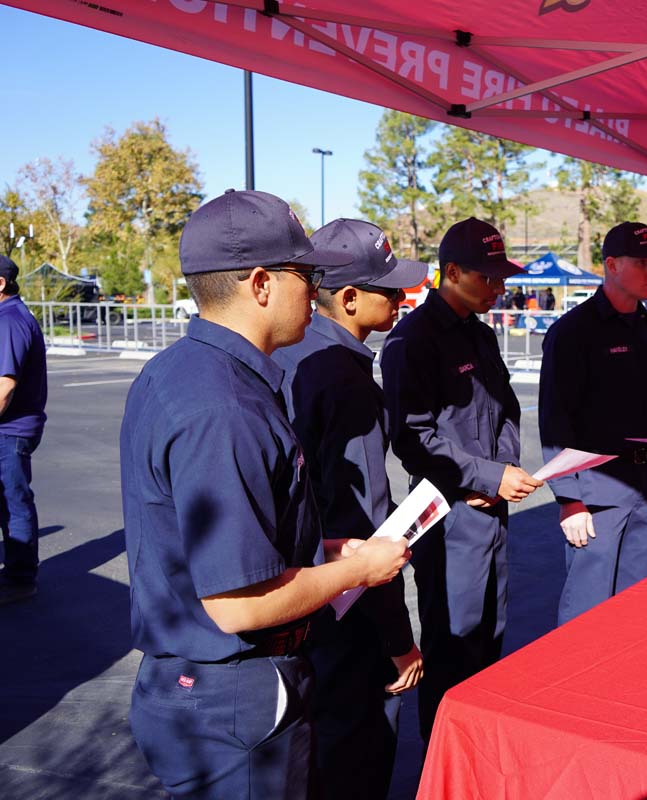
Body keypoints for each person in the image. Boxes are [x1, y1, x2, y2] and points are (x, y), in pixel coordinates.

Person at [120, 190, 411, 798]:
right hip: (234, 698)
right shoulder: (223, 405)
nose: (315, 290)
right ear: (260, 283)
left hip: (206, 691)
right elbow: (240, 605)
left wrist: (323, 549)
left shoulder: (185, 370)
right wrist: (360, 568)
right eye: (305, 275)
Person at [272, 219, 427, 799]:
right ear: (350, 297)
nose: (402, 299)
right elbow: (364, 521)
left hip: (300, 589)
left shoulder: (291, 355)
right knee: (358, 750)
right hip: (348, 603)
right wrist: (398, 639)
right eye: (390, 290)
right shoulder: (347, 379)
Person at [381, 217, 543, 744]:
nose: (499, 289)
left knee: (489, 642)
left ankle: (476, 760)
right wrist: (488, 475)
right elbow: (412, 438)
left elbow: (505, 414)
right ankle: (442, 767)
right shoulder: (413, 341)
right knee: (453, 647)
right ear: (451, 272)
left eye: (502, 279)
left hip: (488, 509)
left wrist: (499, 477)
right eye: (489, 278)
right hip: (447, 516)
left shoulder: (480, 333)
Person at [539, 221, 647, 626]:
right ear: (611, 265)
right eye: (642, 262)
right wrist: (569, 500)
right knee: (587, 609)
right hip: (596, 492)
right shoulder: (573, 333)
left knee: (634, 605)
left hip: (645, 485)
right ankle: (571, 687)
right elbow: (555, 420)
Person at [0, 255, 46, 605]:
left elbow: (5, 386)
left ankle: (19, 580)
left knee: (13, 503)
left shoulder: (10, 321)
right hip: (9, 429)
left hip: (10, 430)